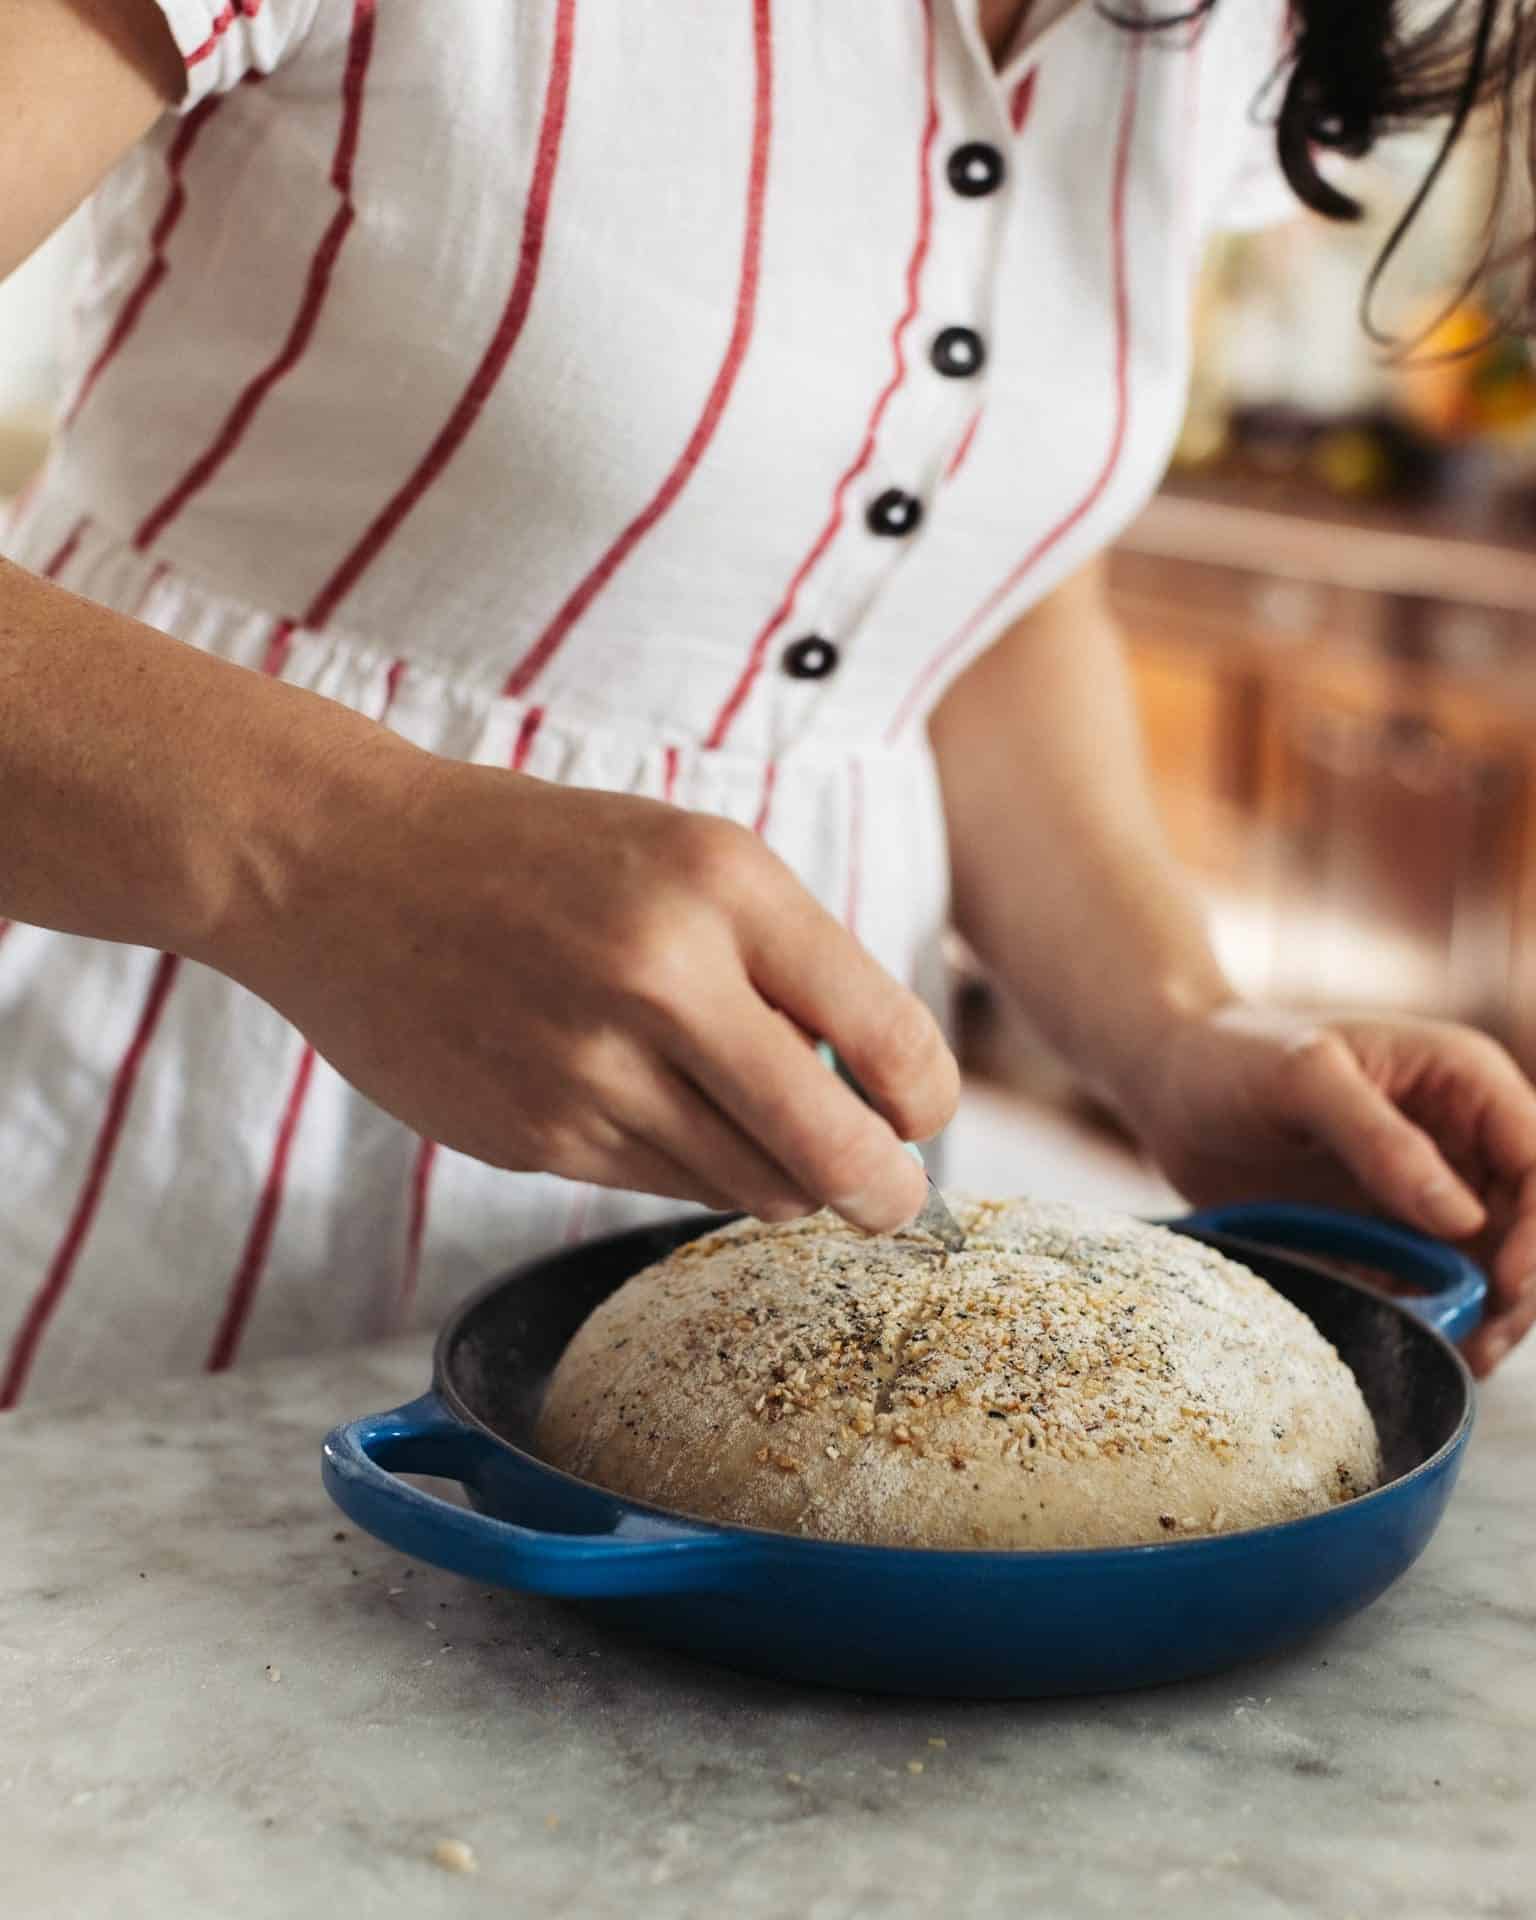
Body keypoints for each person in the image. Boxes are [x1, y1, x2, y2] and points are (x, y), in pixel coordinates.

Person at [2, 0, 1532, 1410]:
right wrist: (329, 854)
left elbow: (954, 571)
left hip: (774, 1262)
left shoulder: (1220, 28)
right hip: (117, 1152)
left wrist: (1177, 1027)